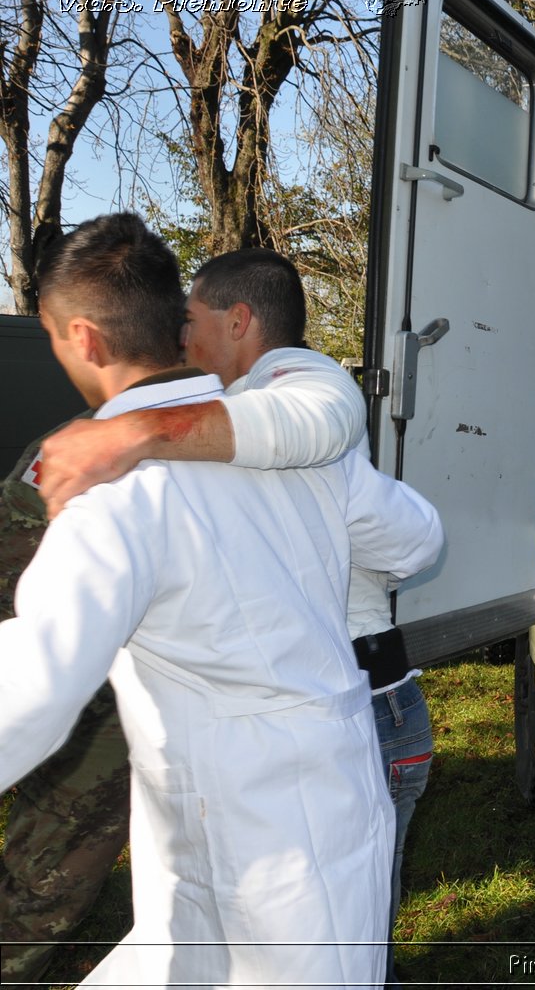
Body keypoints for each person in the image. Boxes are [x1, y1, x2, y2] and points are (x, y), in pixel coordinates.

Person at [0, 213, 443, 985]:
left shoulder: (102, 482)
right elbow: (414, 541)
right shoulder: (296, 443)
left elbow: (32, 687)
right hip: (304, 803)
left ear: (85, 338)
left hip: (258, 849)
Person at [0, 427, 130, 985]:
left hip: (83, 677)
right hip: (92, 688)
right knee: (52, 864)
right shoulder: (96, 444)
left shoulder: (73, 437)